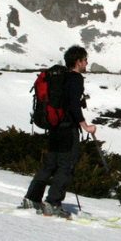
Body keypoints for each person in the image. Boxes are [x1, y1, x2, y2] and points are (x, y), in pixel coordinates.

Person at [21, 46, 97, 217]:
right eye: (85, 60)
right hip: (67, 128)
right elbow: (73, 104)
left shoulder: (59, 78)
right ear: (77, 62)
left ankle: (32, 198)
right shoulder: (76, 79)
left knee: (49, 164)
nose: (86, 63)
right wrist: (85, 125)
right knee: (66, 166)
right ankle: (53, 202)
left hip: (53, 127)